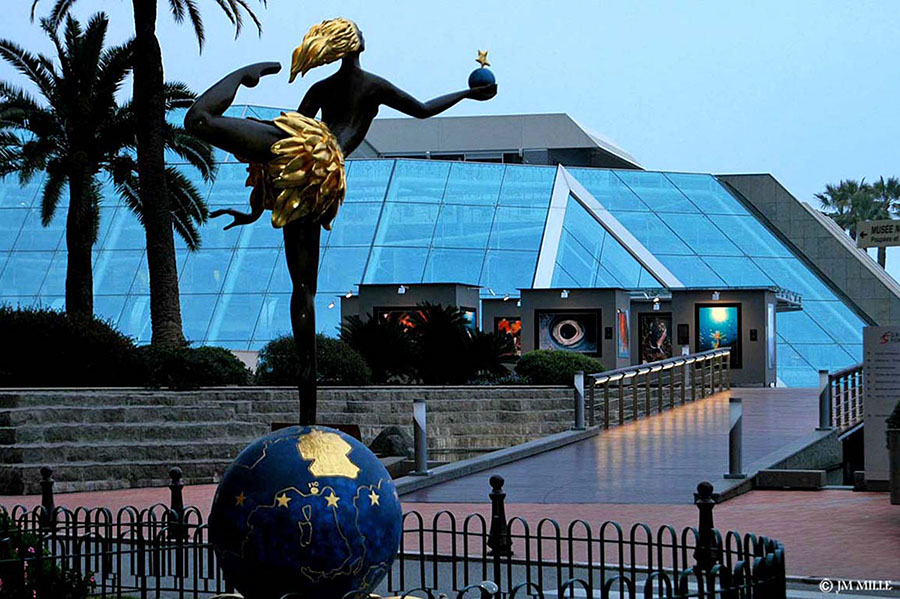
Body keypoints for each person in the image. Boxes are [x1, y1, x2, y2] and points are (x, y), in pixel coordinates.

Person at [185, 18, 497, 425]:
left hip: (306, 159)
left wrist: (259, 203)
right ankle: (307, 401)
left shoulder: (323, 88)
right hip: (321, 171)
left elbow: (285, 141)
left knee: (200, 121)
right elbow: (422, 110)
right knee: (304, 288)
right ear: (354, 43)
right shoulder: (372, 87)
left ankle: (307, 409)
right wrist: (468, 94)